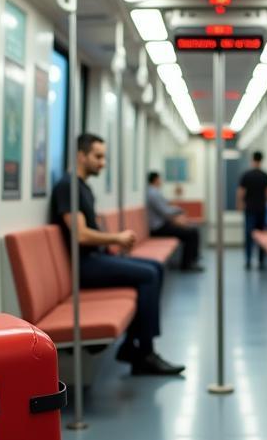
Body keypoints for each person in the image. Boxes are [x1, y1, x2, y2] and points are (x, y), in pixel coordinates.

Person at [51, 133, 185, 376]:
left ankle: (133, 346)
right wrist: (116, 238)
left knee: (154, 267)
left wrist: (111, 245)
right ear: (81, 156)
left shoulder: (83, 188)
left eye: (104, 157)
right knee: (148, 276)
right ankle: (143, 353)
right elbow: (79, 235)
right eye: (98, 157)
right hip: (85, 265)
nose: (103, 163)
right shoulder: (67, 187)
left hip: (97, 257)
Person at [147, 171, 203, 271]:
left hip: (162, 225)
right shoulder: (153, 193)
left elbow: (166, 206)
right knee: (191, 233)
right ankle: (187, 264)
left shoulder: (154, 192)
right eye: (160, 179)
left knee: (192, 229)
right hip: (158, 228)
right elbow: (165, 211)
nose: (161, 181)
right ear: (155, 179)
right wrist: (179, 210)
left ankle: (192, 259)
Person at [237, 151, 267, 270]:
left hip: (250, 209)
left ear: (252, 160)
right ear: (261, 160)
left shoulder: (246, 175)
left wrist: (240, 205)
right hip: (261, 209)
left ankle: (248, 260)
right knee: (261, 236)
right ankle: (261, 261)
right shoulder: (265, 175)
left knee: (248, 235)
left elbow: (241, 192)